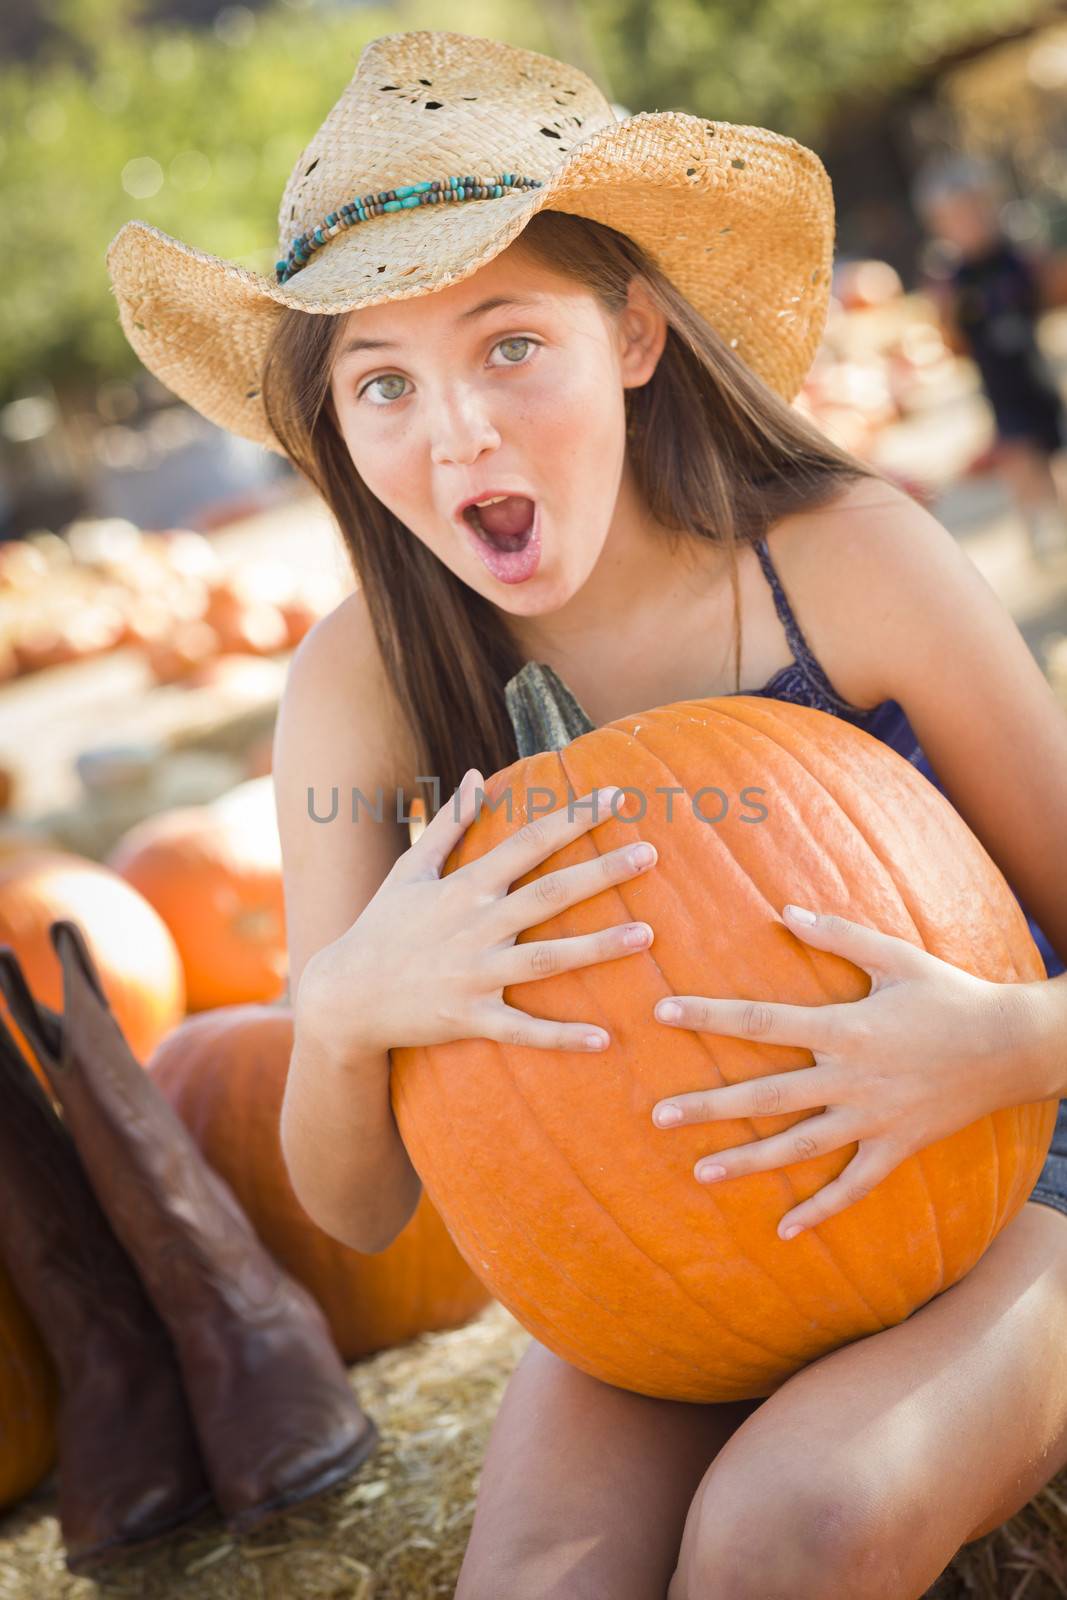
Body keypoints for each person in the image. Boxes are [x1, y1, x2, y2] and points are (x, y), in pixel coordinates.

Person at [108, 31, 1067, 1600]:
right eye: (382, 384)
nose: (456, 434)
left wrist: (997, 1045)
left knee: (794, 1526)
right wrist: (347, 1007)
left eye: (507, 346)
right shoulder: (367, 689)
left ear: (630, 333)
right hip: (650, 1263)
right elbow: (356, 1211)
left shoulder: (845, 564)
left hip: (1010, 1173)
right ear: (336, 425)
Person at [914, 153, 1067, 565]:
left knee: (1054, 449)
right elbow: (953, 341)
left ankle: (1056, 520)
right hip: (999, 386)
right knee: (1019, 455)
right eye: (957, 218)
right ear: (940, 226)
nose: (970, 224)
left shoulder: (1018, 260)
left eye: (976, 212)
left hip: (1036, 373)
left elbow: (1050, 296)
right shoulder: (954, 281)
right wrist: (945, 313)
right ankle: (1039, 528)